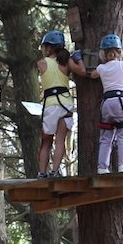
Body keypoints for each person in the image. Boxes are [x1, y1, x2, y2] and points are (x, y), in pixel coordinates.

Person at [35, 31, 85, 178]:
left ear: (49, 48)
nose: (43, 50)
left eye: (44, 47)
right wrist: (78, 58)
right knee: (60, 140)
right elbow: (81, 71)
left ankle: (42, 173)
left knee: (46, 142)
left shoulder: (41, 63)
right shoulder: (66, 62)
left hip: (50, 104)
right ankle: (55, 171)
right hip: (65, 104)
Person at [89, 33, 123, 173]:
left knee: (106, 136)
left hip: (106, 103)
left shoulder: (101, 68)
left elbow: (92, 75)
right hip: (119, 101)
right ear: (119, 52)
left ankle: (102, 167)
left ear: (103, 53)